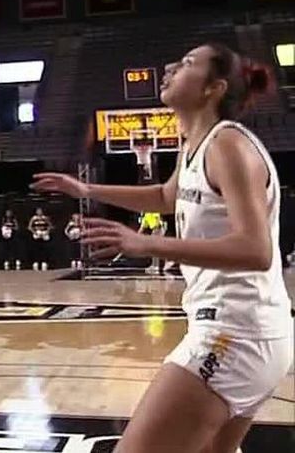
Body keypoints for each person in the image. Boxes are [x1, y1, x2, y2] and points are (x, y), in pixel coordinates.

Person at [31, 43, 292, 453]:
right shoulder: (195, 144)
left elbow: (255, 249)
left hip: (234, 336)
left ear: (214, 88)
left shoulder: (228, 145)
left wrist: (145, 242)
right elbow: (166, 196)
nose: (170, 67)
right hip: (244, 333)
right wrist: (86, 189)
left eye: (188, 64)